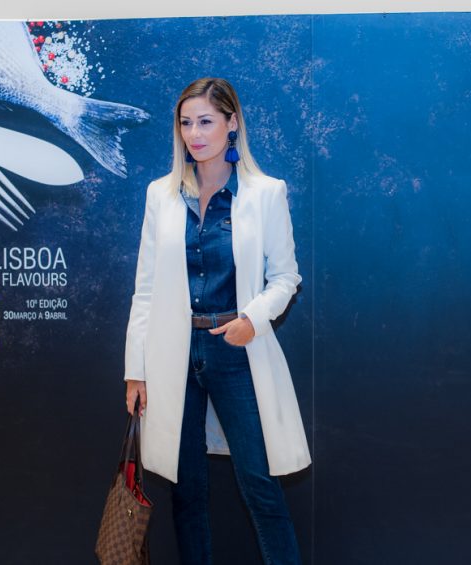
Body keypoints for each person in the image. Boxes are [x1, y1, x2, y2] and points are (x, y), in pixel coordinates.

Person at [123, 77, 311, 564]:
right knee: (186, 490)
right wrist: (136, 370)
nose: (194, 134)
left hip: (235, 349)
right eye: (186, 123)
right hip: (173, 355)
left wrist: (253, 319)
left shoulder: (265, 193)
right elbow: (146, 289)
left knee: (260, 485)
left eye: (205, 121)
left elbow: (285, 277)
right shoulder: (160, 195)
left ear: (232, 123)